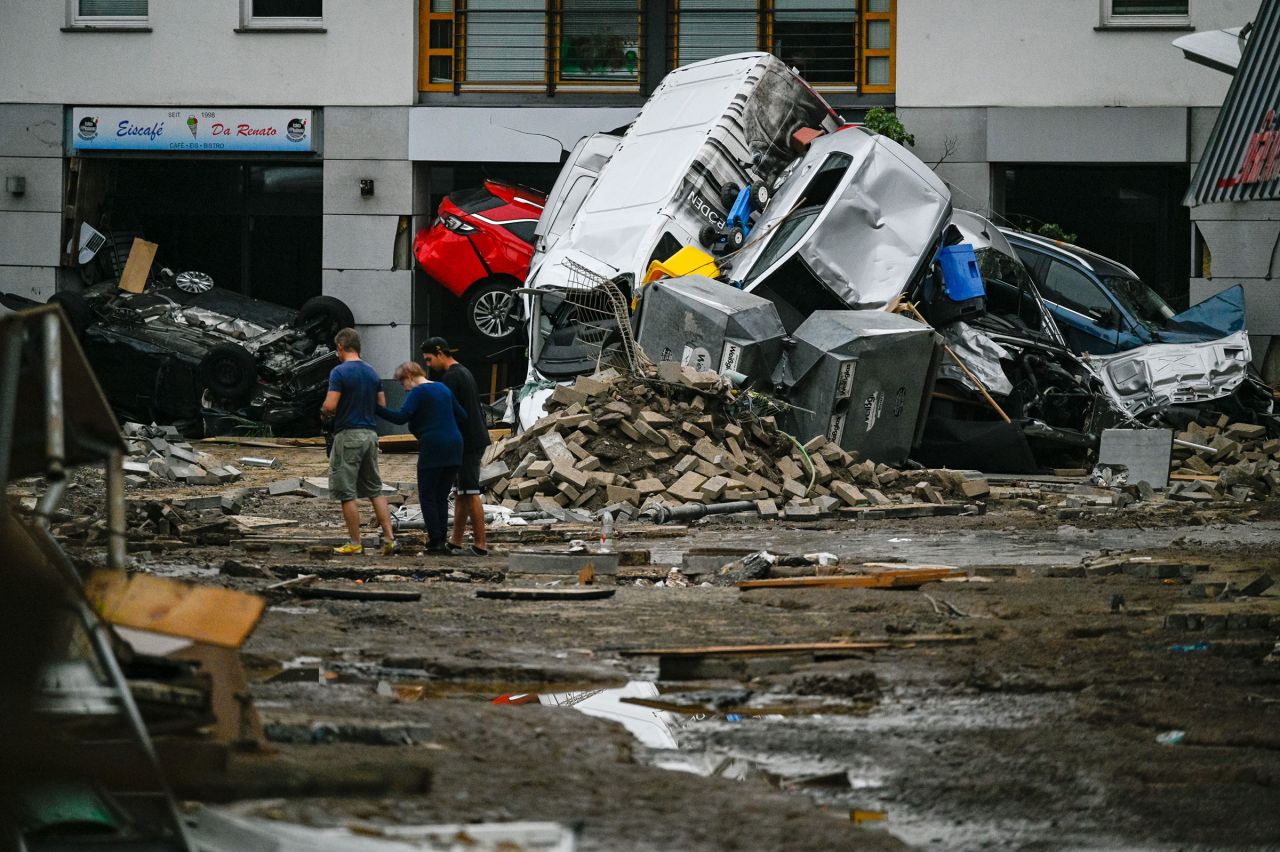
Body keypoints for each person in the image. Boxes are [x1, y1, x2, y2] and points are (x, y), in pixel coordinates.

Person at [320, 328, 398, 556]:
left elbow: (330, 405)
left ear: (341, 347)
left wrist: (324, 412)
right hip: (370, 435)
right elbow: (381, 404)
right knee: (375, 489)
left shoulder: (339, 371)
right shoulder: (372, 372)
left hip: (348, 435)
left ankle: (355, 542)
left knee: (346, 493)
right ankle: (389, 538)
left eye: (337, 350)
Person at [376, 361, 466, 552]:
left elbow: (401, 417)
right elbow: (462, 415)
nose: (405, 388)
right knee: (441, 496)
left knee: (427, 495)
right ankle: (441, 537)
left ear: (408, 376)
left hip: (433, 446)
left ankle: (435, 541)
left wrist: (375, 409)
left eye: (402, 383)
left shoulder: (418, 392)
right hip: (455, 445)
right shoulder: (443, 388)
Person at [421, 337, 491, 556]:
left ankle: (481, 545)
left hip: (467, 442)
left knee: (470, 492)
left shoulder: (452, 378)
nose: (429, 365)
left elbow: (448, 412)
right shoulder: (463, 372)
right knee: (462, 492)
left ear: (440, 353)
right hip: (471, 439)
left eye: (429, 359)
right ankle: (456, 540)